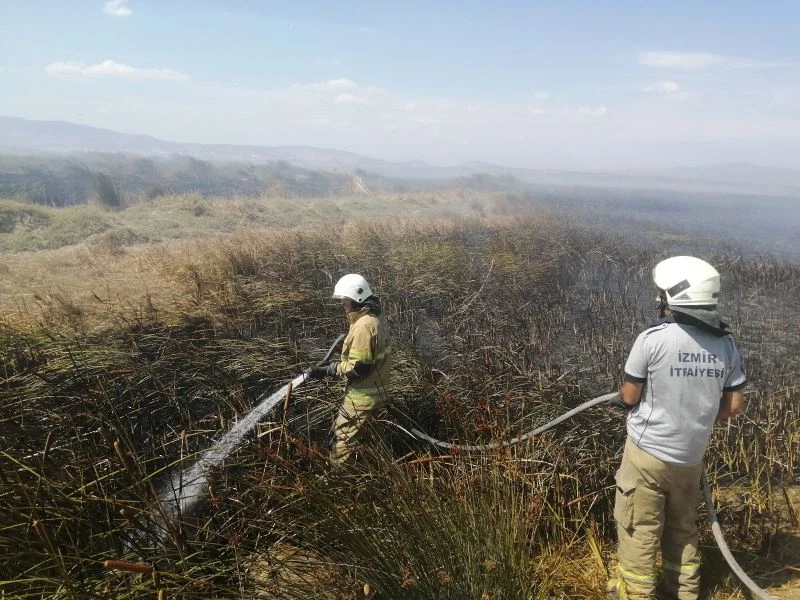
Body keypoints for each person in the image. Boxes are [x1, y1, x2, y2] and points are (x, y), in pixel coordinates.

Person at [609, 256, 746, 600]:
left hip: (646, 455)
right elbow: (733, 407)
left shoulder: (652, 339)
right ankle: (684, 593)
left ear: (674, 297)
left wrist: (622, 399)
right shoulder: (725, 344)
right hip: (689, 459)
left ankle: (637, 594)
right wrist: (696, 415)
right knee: (682, 530)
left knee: (638, 529)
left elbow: (629, 396)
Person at [308, 274, 392, 466]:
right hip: (377, 393)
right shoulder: (374, 318)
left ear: (357, 297)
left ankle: (336, 477)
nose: (342, 303)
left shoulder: (363, 325)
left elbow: (358, 368)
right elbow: (369, 353)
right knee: (373, 438)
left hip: (362, 398)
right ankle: (379, 468)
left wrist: (328, 370)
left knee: (342, 440)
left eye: (345, 298)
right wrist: (345, 350)